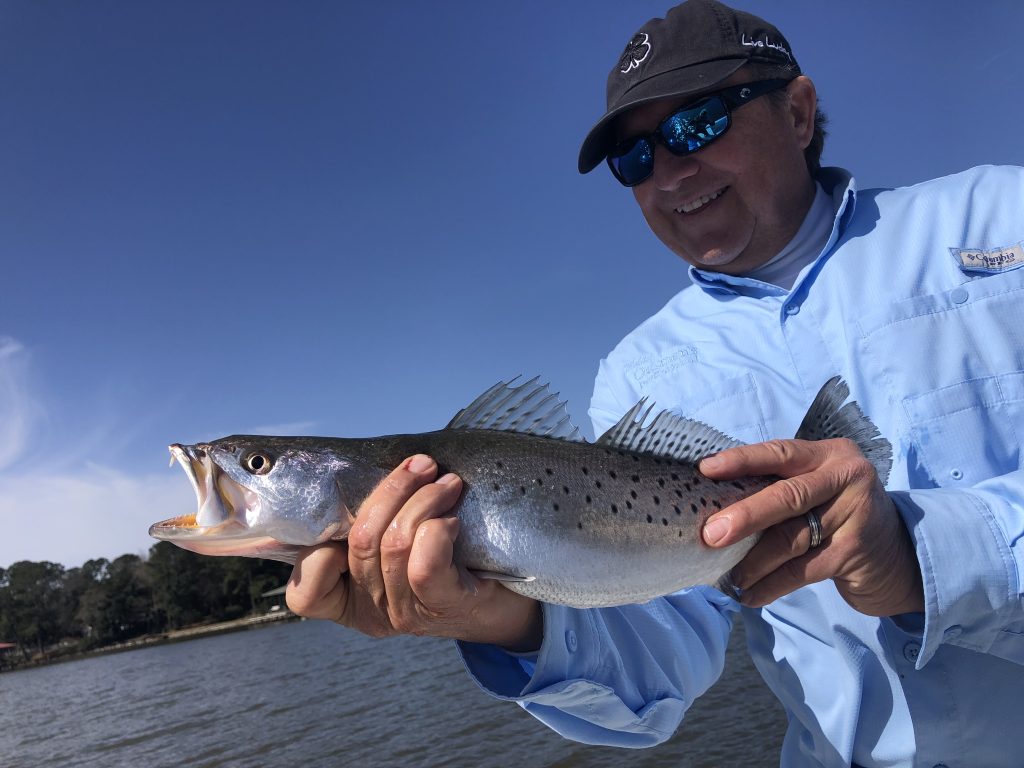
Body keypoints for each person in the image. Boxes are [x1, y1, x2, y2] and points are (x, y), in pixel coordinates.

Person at [286, 1, 1024, 764]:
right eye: (634, 158)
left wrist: (924, 553)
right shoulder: (639, 372)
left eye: (698, 124)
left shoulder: (1005, 217)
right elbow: (663, 665)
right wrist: (501, 620)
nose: (670, 172)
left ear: (799, 112)